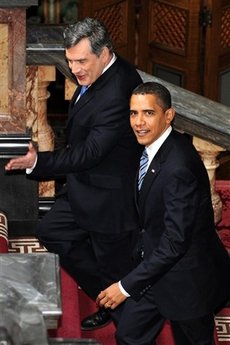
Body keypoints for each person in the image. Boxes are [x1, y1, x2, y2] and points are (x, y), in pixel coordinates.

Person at [5, 17, 143, 330]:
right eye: (70, 61)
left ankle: (129, 322)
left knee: (116, 271)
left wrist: (36, 163)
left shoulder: (118, 91)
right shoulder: (98, 74)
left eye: (82, 61)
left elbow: (89, 153)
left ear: (105, 54)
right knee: (52, 231)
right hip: (85, 185)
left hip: (111, 199)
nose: (75, 69)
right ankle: (106, 296)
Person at [97, 82, 230, 345]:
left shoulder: (178, 166)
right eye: (134, 113)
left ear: (168, 116)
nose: (138, 122)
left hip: (186, 281)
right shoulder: (154, 145)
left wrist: (124, 287)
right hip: (154, 268)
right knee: (129, 335)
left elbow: (175, 241)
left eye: (148, 113)